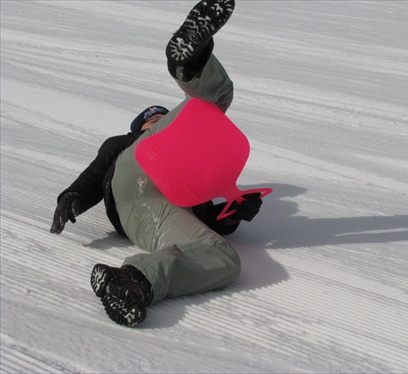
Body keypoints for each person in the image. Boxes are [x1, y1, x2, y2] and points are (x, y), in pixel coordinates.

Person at [50, 0, 263, 327]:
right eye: (152, 121)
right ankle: (191, 66)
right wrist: (73, 196)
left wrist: (229, 216)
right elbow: (97, 171)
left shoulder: (188, 152)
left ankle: (132, 281)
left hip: (168, 206)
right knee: (210, 105)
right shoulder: (126, 144)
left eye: (163, 117)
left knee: (224, 259)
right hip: (135, 187)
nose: (158, 120)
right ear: (141, 128)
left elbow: (200, 215)